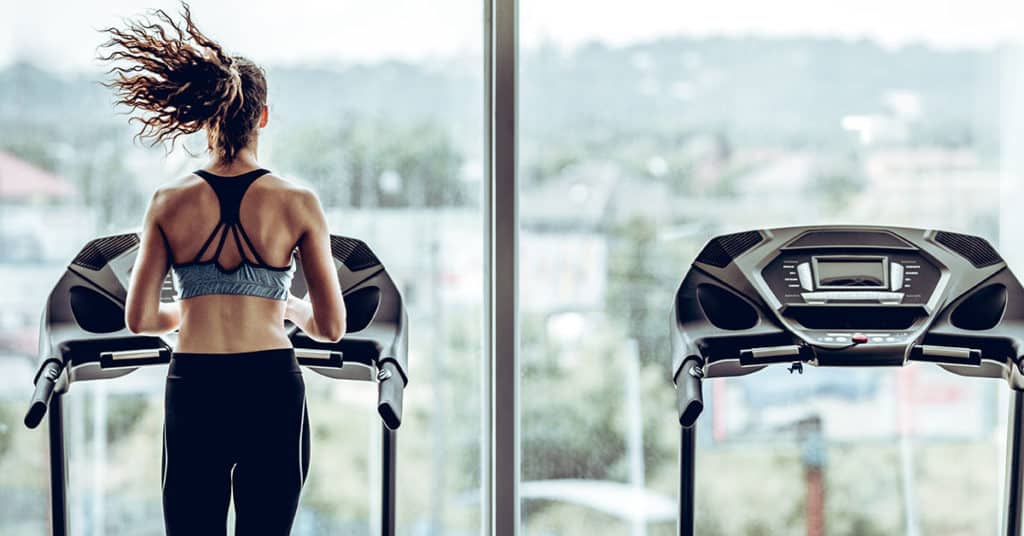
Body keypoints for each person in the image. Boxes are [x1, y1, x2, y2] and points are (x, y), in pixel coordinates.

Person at [99, 3, 347, 534]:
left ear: (206, 115)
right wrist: (282, 305)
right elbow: (330, 328)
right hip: (271, 384)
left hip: (196, 383)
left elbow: (140, 318)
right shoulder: (298, 202)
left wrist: (188, 313)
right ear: (263, 116)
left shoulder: (169, 201)